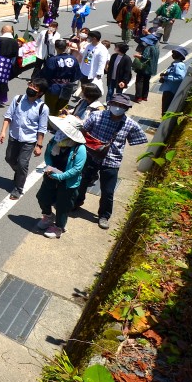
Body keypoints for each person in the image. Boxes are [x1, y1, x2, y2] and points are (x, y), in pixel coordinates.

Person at [77, 94, 148, 229]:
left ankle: (104, 216)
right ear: (110, 104)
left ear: (126, 108)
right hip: (91, 156)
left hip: (112, 161)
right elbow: (83, 131)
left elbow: (139, 140)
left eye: (122, 106)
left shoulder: (130, 125)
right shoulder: (96, 116)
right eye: (116, 104)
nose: (118, 108)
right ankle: (76, 202)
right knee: (82, 182)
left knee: (108, 191)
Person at [36, 115, 88, 238]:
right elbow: (48, 154)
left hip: (67, 182)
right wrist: (49, 166)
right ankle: (48, 216)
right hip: (51, 176)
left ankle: (59, 227)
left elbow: (77, 169)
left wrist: (61, 176)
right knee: (42, 197)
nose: (60, 133)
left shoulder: (80, 149)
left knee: (62, 206)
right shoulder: (55, 140)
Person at [0, 78, 48, 200]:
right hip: (14, 136)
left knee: (22, 163)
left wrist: (39, 145)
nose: (31, 88)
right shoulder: (18, 99)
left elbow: (42, 128)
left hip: (29, 141)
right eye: (30, 85)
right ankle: (20, 172)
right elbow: (8, 116)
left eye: (35, 87)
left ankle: (18, 188)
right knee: (9, 158)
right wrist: (3, 131)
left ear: (40, 93)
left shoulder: (42, 108)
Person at [41, 39, 84, 116]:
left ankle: (49, 124)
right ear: (66, 47)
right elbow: (76, 75)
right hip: (67, 86)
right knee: (61, 108)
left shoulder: (52, 60)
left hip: (53, 87)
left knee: (50, 108)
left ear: (56, 47)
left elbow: (46, 74)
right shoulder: (73, 59)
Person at [158, 47, 189, 114]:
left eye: (175, 53)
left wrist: (166, 78)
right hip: (169, 89)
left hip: (171, 90)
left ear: (180, 56)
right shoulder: (175, 64)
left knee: (166, 107)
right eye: (173, 53)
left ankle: (163, 123)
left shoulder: (178, 65)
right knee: (165, 106)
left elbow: (180, 77)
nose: (173, 55)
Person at [131, 34, 160, 104]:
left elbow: (145, 57)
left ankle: (138, 97)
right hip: (151, 68)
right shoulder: (156, 48)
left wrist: (137, 55)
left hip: (144, 68)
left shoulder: (148, 48)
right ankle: (145, 96)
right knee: (147, 82)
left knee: (139, 81)